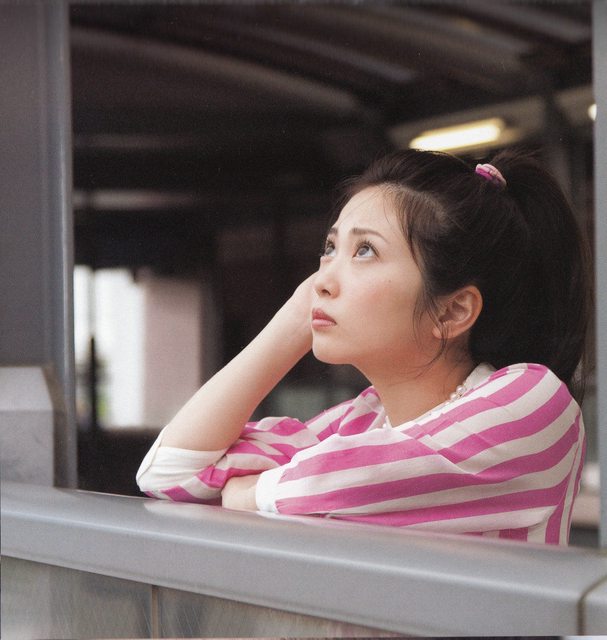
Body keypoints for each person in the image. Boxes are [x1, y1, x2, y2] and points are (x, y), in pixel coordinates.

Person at [137, 148, 590, 545]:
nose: (322, 280)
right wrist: (294, 319)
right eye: (330, 247)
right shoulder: (362, 421)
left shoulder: (535, 403)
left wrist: (249, 493)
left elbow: (365, 474)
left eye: (365, 251)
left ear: (452, 312)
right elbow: (170, 473)